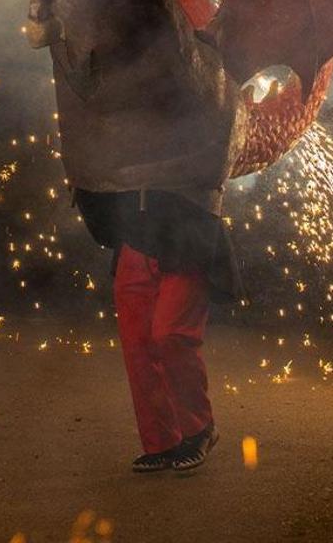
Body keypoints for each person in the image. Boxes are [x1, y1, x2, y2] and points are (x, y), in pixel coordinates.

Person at [77, 189, 239, 473]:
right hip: (136, 237)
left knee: (171, 334)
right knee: (137, 343)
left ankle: (199, 428)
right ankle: (161, 441)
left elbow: (221, 155)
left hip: (187, 236)